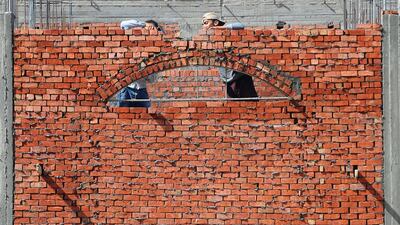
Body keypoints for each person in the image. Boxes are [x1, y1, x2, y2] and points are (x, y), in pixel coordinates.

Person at [202, 12, 258, 99]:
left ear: (215, 23)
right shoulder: (210, 40)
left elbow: (241, 25)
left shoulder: (228, 33)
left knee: (250, 106)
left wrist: (220, 28)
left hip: (240, 77)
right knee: (233, 108)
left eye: (206, 23)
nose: (204, 26)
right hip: (228, 80)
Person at [114, 20, 162, 107]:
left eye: (152, 29)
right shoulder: (134, 39)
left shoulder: (154, 49)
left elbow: (152, 80)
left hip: (141, 89)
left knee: (146, 117)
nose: (149, 31)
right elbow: (123, 24)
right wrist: (144, 24)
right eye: (147, 29)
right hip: (126, 87)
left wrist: (147, 71)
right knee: (122, 115)